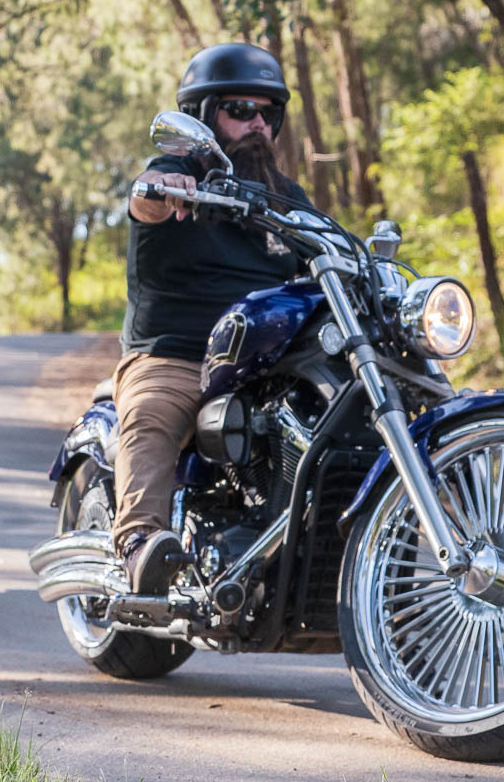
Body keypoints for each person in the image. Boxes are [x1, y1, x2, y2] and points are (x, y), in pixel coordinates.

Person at [113, 43, 311, 594]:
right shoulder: (175, 175)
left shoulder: (286, 199)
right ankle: (137, 545)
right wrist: (160, 190)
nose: (257, 126)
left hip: (267, 366)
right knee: (152, 414)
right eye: (240, 111)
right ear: (204, 116)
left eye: (267, 114)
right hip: (177, 357)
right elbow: (144, 200)